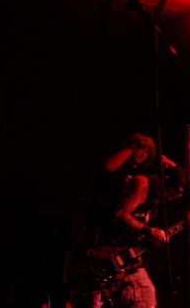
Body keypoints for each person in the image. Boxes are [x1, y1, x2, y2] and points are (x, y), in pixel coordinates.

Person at [73, 132, 182, 308]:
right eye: (141, 149)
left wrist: (171, 167)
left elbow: (170, 182)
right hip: (99, 231)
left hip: (116, 238)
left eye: (147, 152)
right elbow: (108, 167)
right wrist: (132, 148)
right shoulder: (118, 168)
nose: (142, 154)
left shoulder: (140, 175)